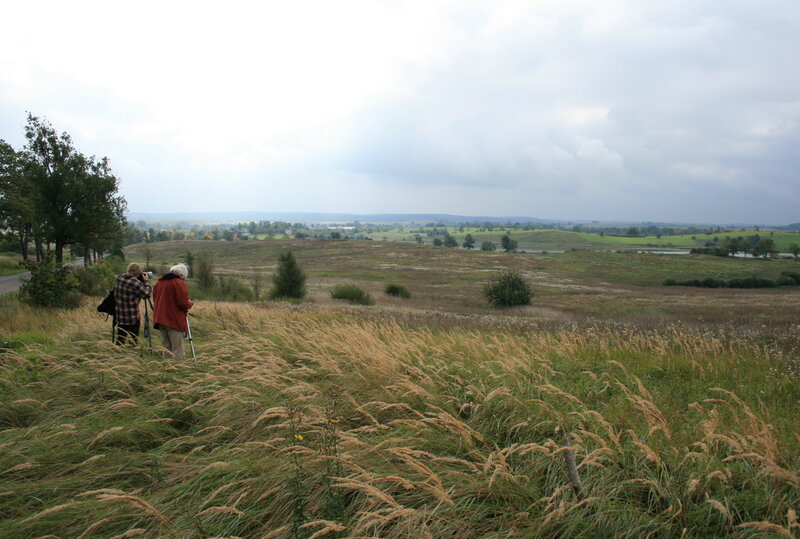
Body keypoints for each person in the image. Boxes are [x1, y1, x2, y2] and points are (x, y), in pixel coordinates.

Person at [152, 263, 193, 359]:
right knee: (177, 347)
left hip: (160, 318)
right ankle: (178, 368)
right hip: (174, 319)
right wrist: (190, 303)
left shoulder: (159, 283)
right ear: (181, 275)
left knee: (166, 346)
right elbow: (183, 303)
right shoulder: (178, 283)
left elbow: (155, 299)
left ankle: (168, 368)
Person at [113, 262, 152, 345]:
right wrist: (146, 282)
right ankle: (133, 352)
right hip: (132, 316)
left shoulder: (120, 277)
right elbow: (146, 295)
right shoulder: (134, 282)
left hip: (120, 315)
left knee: (121, 337)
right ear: (137, 273)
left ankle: (117, 353)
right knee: (134, 338)